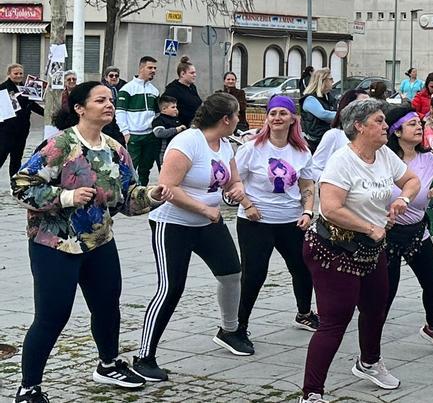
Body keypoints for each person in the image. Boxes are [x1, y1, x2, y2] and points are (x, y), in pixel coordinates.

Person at [11, 82, 173, 403]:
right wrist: (65, 196)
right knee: (52, 315)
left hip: (99, 240)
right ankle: (29, 388)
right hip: (55, 244)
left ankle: (109, 364)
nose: (108, 104)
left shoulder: (116, 150)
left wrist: (151, 195)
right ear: (80, 108)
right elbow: (21, 185)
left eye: (110, 100)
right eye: (100, 100)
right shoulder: (60, 145)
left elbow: (127, 199)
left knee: (107, 307)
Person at [298, 99, 418, 402]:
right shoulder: (342, 161)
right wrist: (368, 227)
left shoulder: (384, 155)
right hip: (333, 248)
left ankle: (369, 362)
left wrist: (402, 198)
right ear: (358, 127)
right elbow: (331, 208)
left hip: (369, 248)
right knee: (335, 321)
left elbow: (412, 180)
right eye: (378, 121)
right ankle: (311, 393)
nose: (385, 126)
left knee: (376, 307)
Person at [133, 93, 254, 383]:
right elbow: (167, 188)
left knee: (231, 273)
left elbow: (231, 180)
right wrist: (204, 209)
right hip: (173, 224)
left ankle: (229, 330)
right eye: (237, 115)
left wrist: (233, 192)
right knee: (171, 288)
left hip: (207, 222)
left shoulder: (225, 145)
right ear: (226, 119)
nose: (239, 121)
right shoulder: (187, 142)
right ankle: (144, 357)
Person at [234, 95, 319, 337]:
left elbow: (307, 185)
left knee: (302, 268)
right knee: (254, 273)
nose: (277, 118)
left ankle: (304, 313)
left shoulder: (301, 151)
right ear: (267, 118)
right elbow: (234, 181)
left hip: (291, 220)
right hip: (256, 221)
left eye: (283, 113)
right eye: (273, 113)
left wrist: (307, 211)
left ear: (293, 118)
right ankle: (239, 325)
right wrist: (247, 205)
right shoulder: (251, 149)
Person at [384, 105, 433, 356]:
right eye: (412, 124)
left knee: (432, 283)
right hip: (385, 236)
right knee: (386, 292)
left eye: (420, 123)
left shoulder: (427, 159)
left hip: (417, 233)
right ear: (396, 131)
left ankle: (432, 326)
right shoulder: (383, 159)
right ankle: (370, 343)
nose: (419, 126)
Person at [305, 89, 371, 184]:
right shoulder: (334, 135)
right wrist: (330, 184)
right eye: (362, 105)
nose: (369, 110)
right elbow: (315, 167)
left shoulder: (373, 137)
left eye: (371, 105)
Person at [116, 57, 159, 186]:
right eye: (150, 68)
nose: (153, 71)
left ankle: (142, 196)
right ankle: (125, 196)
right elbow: (120, 112)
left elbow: (157, 113)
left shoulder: (154, 91)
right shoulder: (127, 89)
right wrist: (125, 132)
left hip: (150, 136)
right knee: (130, 168)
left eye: (155, 68)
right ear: (141, 68)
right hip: (133, 135)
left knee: (145, 169)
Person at [1, 63, 45, 176]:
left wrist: (47, 114)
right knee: (1, 156)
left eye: (21, 73)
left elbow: (33, 105)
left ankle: (14, 185)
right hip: (6, 130)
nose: (18, 75)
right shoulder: (2, 88)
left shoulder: (26, 88)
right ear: (9, 74)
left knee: (17, 158)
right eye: (15, 73)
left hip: (22, 129)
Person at [300, 67, 337, 150]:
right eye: (330, 79)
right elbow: (323, 114)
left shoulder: (329, 97)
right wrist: (343, 115)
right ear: (322, 80)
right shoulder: (310, 99)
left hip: (327, 139)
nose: (333, 81)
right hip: (313, 142)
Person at [163, 56, 203, 127]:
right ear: (182, 74)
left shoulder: (192, 87)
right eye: (192, 73)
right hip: (181, 128)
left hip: (195, 126)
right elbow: (166, 111)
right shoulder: (172, 90)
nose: (195, 75)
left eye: (195, 73)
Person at [151, 96, 186, 167]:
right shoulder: (159, 120)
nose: (176, 109)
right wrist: (176, 129)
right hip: (164, 153)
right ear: (164, 109)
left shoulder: (176, 119)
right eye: (173, 107)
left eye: (176, 107)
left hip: (176, 151)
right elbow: (159, 133)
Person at [100, 67, 126, 145]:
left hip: (119, 121)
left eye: (116, 76)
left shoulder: (124, 87)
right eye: (111, 76)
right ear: (106, 77)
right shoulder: (100, 88)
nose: (114, 77)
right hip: (105, 121)